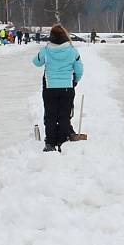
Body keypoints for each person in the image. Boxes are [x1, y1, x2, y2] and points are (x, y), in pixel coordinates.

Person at [32, 24, 84, 153]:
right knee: (64, 115)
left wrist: (42, 53)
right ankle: (61, 140)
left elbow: (36, 62)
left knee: (50, 115)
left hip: (50, 87)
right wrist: (75, 81)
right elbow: (79, 69)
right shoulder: (72, 50)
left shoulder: (46, 50)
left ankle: (50, 142)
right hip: (67, 87)